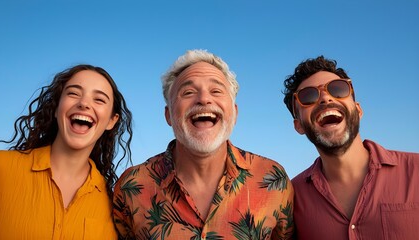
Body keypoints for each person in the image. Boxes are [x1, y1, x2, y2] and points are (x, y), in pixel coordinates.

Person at [113, 49, 294, 239]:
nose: (204, 99)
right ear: (168, 115)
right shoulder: (131, 186)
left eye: (216, 91)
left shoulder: (273, 180)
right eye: (188, 92)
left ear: (234, 112)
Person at [282, 55, 419, 240]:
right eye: (308, 96)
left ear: (358, 109)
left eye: (337, 89)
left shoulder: (415, 170)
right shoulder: (291, 197)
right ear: (298, 125)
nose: (325, 98)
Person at [0, 64, 133, 239]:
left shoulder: (114, 205)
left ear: (112, 121)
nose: (84, 103)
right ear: (57, 107)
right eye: (73, 93)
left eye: (99, 100)